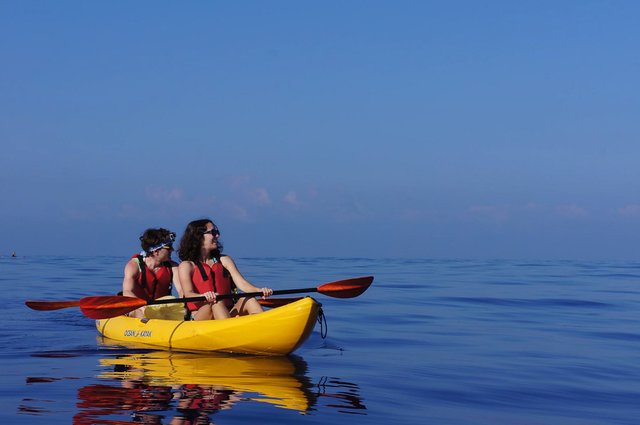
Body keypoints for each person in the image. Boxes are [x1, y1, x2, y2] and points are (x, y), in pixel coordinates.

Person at [177, 219, 273, 320]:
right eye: (213, 233)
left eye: (217, 232)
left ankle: (265, 328)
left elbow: (242, 284)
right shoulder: (187, 266)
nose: (217, 236)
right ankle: (231, 332)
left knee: (248, 298)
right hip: (201, 317)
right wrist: (204, 295)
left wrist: (259, 290)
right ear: (199, 237)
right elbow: (188, 294)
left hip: (227, 312)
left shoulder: (225, 260)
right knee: (216, 302)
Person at [122, 228, 182, 318]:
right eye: (168, 247)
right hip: (138, 307)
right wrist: (142, 306)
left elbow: (181, 290)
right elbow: (127, 291)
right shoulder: (133, 266)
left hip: (161, 308)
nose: (172, 250)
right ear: (155, 251)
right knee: (140, 313)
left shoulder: (173, 267)